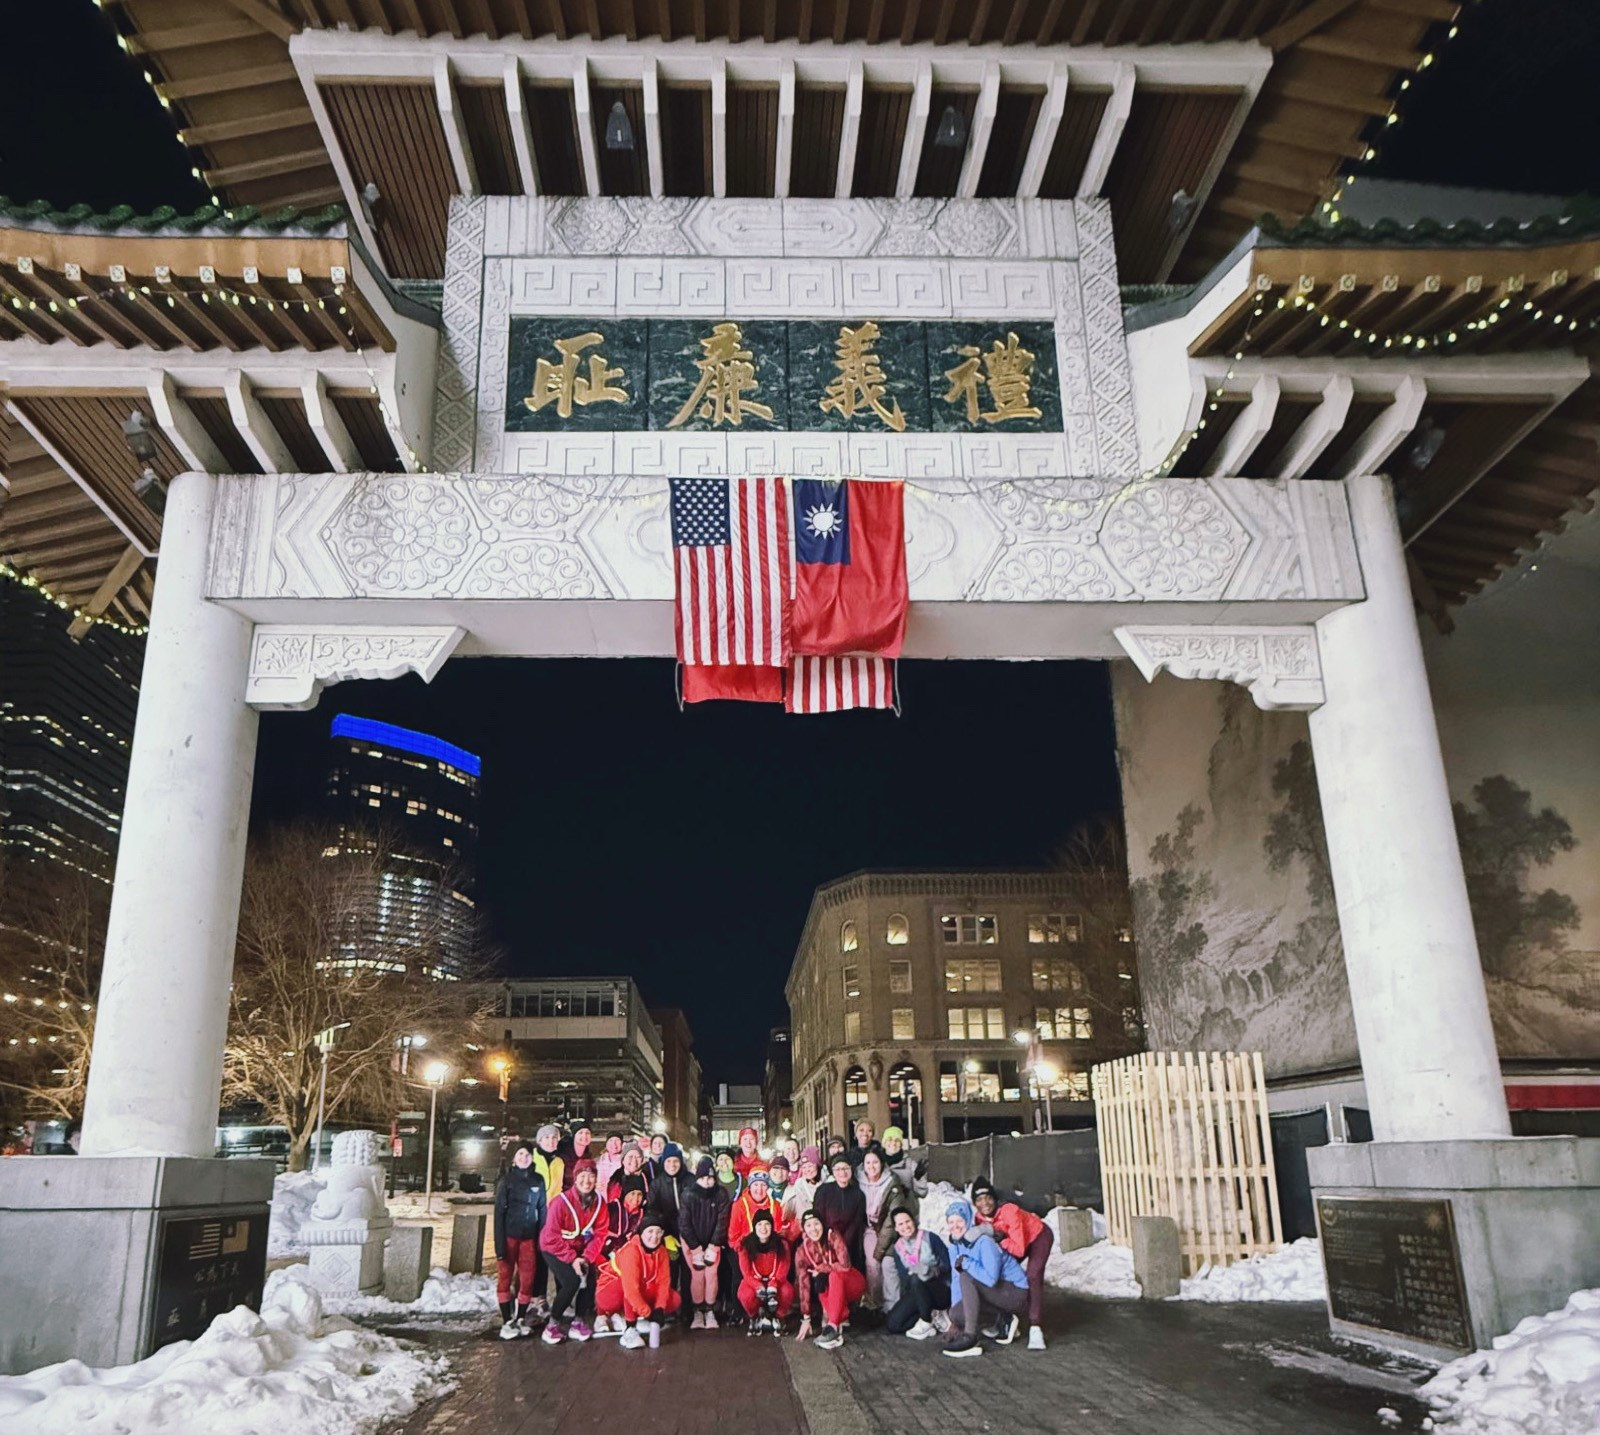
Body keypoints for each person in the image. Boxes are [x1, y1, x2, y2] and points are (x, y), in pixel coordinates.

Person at [970, 1179, 1054, 1349]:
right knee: (998, 1271)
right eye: (979, 1200)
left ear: (994, 1198)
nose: (984, 1203)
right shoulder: (979, 1219)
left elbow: (1018, 1249)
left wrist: (1001, 1238)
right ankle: (1006, 1320)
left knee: (1033, 1275)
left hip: (1038, 1236)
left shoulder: (1009, 1211)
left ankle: (1035, 1328)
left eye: (988, 1197)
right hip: (1012, 1242)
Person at [942, 1197, 1028, 1358]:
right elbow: (955, 1279)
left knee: (966, 1276)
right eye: (951, 1222)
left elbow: (990, 1279)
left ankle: (971, 1338)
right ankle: (1001, 1320)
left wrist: (967, 1263)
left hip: (1014, 1292)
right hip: (992, 1293)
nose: (955, 1226)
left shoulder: (984, 1241)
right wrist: (956, 1323)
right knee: (956, 1313)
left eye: (959, 1221)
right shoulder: (954, 1246)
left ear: (967, 1220)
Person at [539, 1157, 609, 1344]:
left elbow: (601, 1234)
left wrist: (586, 1257)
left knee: (590, 1279)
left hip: (580, 1248)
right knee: (571, 1282)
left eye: (591, 1176)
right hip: (554, 1247)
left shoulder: (599, 1203)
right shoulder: (560, 1203)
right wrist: (572, 1259)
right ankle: (552, 1325)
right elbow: (551, 1236)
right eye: (582, 1176)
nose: (586, 1181)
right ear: (575, 1178)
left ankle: (578, 1323)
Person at [594, 1211, 680, 1349]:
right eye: (650, 1231)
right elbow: (631, 1290)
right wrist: (649, 1313)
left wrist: (659, 1309)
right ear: (641, 1233)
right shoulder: (632, 1252)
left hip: (632, 1290)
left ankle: (629, 1315)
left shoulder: (661, 1251)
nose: (654, 1237)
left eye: (658, 1232)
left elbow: (663, 1283)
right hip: (608, 1294)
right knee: (631, 1286)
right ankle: (629, 1327)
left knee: (673, 1299)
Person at [492, 1143, 547, 1339]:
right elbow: (498, 1213)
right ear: (514, 1157)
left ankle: (521, 1317)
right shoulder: (506, 1181)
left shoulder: (538, 1180)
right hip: (509, 1235)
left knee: (527, 1278)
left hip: (529, 1237)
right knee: (505, 1276)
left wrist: (542, 1238)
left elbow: (542, 1210)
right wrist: (499, 1245)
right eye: (520, 1153)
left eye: (528, 1154)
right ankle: (507, 1320)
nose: (524, 1157)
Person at [793, 1210, 865, 1350]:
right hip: (833, 1291)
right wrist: (806, 1317)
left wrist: (824, 1268)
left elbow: (845, 1265)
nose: (813, 1229)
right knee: (820, 1282)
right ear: (804, 1229)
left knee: (832, 1275)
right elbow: (803, 1284)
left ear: (822, 1224)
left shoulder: (832, 1235)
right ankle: (838, 1322)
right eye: (808, 1225)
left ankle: (833, 1325)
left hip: (852, 1282)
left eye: (816, 1224)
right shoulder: (802, 1250)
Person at [882, 1206, 951, 1339]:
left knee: (917, 1277)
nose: (905, 1226)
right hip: (916, 1290)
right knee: (893, 1324)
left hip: (939, 1288)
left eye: (907, 1221)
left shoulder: (930, 1237)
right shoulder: (898, 1248)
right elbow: (904, 1279)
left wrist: (930, 1270)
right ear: (896, 1228)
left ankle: (926, 1320)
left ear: (913, 1221)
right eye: (900, 1224)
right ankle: (931, 1316)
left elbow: (948, 1264)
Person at [679, 1155, 731, 1329]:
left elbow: (722, 1221)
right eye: (703, 1178)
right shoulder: (688, 1194)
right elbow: (684, 1223)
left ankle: (710, 1309)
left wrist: (714, 1244)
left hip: (712, 1241)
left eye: (710, 1178)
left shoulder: (721, 1194)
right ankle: (697, 1310)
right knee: (697, 1274)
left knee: (712, 1274)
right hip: (692, 1241)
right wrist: (695, 1248)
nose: (707, 1182)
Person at [857, 1148, 908, 1307]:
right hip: (869, 1228)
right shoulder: (857, 1180)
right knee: (872, 1264)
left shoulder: (892, 1182)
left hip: (889, 1227)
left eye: (875, 1162)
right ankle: (875, 1303)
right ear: (863, 1165)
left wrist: (880, 1250)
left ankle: (892, 1306)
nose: (871, 1166)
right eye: (868, 1163)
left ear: (882, 1163)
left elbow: (891, 1220)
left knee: (887, 1262)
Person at [647, 1143, 692, 1320]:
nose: (672, 1164)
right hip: (669, 1236)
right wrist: (664, 1235)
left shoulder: (690, 1180)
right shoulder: (657, 1183)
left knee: (688, 1273)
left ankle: (688, 1309)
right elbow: (652, 1209)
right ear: (664, 1162)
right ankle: (670, 1307)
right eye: (668, 1161)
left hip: (689, 1236)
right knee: (670, 1272)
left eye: (675, 1161)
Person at [737, 1209, 794, 1334]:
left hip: (776, 1281)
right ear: (754, 1227)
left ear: (772, 1226)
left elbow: (784, 1267)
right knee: (745, 1294)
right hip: (754, 1281)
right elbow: (746, 1273)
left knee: (787, 1291)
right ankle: (754, 1317)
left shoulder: (781, 1243)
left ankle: (779, 1318)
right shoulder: (745, 1245)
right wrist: (758, 1286)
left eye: (767, 1224)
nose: (763, 1228)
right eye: (759, 1224)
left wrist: (774, 1284)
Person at [813, 1154, 868, 1271]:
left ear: (851, 1170)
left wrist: (843, 1243)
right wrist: (831, 1241)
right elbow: (818, 1218)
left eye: (845, 1168)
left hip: (849, 1243)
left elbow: (857, 1221)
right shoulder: (823, 1191)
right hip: (826, 1241)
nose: (842, 1172)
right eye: (838, 1169)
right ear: (833, 1172)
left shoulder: (858, 1194)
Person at [727, 1165, 783, 1249]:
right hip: (746, 1249)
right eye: (756, 1184)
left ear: (767, 1187)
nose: (759, 1189)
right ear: (750, 1186)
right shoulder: (739, 1205)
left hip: (770, 1250)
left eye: (763, 1185)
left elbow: (778, 1232)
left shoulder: (775, 1206)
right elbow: (733, 1238)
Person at [599, 1171, 649, 1264]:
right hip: (604, 1254)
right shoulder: (611, 1208)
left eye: (639, 1194)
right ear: (625, 1194)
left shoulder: (642, 1214)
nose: (636, 1198)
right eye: (632, 1193)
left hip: (627, 1256)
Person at [781, 1147, 821, 1241]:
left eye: (810, 1166)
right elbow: (786, 1212)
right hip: (803, 1234)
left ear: (817, 1165)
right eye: (804, 1167)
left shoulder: (828, 1182)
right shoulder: (798, 1186)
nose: (807, 1170)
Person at [880, 1126, 928, 1197]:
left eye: (897, 1140)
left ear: (901, 1144)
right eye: (889, 1139)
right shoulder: (876, 1163)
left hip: (904, 1204)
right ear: (884, 1143)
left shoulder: (910, 1164)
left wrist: (918, 1178)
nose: (893, 1143)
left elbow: (921, 1193)